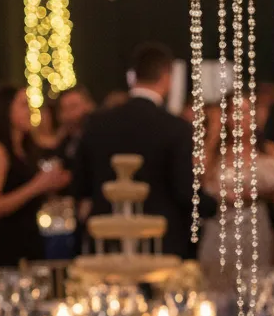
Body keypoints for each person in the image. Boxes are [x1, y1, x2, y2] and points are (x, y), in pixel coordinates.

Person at [73, 43, 216, 258]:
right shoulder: (175, 128)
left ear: (133, 76)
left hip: (108, 243)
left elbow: (80, 186)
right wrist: (214, 205)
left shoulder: (96, 124)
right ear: (166, 77)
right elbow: (184, 191)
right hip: (159, 244)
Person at [198, 92, 274, 290]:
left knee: (255, 285)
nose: (241, 118)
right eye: (235, 112)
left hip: (255, 224)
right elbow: (200, 182)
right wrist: (213, 135)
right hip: (220, 225)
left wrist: (255, 194)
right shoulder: (215, 153)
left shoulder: (268, 149)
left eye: (246, 112)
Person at [0, 86, 71, 267]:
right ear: (5, 110)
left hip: (29, 241)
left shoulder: (24, 150)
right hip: (6, 247)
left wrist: (51, 184)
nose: (30, 111)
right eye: (23, 105)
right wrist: (38, 185)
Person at [54, 85, 95, 167]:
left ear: (89, 106)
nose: (68, 114)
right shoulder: (65, 142)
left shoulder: (97, 139)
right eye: (64, 109)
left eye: (73, 107)